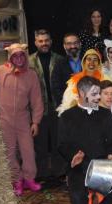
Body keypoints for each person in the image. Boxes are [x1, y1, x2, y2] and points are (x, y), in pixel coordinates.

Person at [57, 76, 112, 204]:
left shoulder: (105, 114)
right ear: (81, 92)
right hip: (79, 166)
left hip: (102, 164)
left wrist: (111, 153)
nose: (99, 97)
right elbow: (62, 144)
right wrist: (73, 156)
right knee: (77, 193)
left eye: (98, 93)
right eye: (94, 94)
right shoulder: (67, 116)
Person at [0, 43, 44, 196]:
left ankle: (29, 178)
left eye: (21, 56)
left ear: (25, 56)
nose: (19, 59)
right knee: (9, 151)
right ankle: (17, 180)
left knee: (28, 151)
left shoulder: (31, 74)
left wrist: (36, 122)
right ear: (10, 57)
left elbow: (37, 100)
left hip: (23, 119)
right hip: (4, 118)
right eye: (15, 56)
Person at [29, 29, 63, 181]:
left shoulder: (59, 59)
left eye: (46, 40)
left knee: (57, 141)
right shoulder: (29, 61)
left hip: (57, 106)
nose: (44, 43)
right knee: (40, 143)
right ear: (35, 42)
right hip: (37, 107)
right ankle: (41, 174)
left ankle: (59, 173)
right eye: (41, 41)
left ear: (51, 41)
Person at [57, 49, 110, 116]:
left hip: (99, 112)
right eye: (89, 59)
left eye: (95, 60)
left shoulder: (105, 78)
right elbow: (67, 100)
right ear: (84, 62)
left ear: (99, 63)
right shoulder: (75, 80)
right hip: (79, 114)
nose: (92, 62)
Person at [51, 33, 82, 107]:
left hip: (87, 106)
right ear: (64, 46)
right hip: (67, 107)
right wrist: (68, 102)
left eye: (75, 43)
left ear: (80, 44)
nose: (73, 46)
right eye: (69, 44)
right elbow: (56, 88)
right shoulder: (59, 64)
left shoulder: (88, 61)